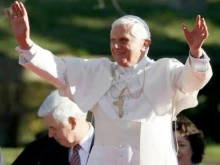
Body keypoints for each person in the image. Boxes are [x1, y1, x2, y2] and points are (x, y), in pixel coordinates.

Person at [7, 1, 212, 164]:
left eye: (123, 40)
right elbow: (58, 69)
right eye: (113, 40)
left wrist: (195, 52)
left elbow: (192, 81)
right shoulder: (98, 71)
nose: (116, 46)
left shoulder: (164, 71)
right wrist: (26, 43)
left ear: (145, 44)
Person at [12, 90, 94, 165]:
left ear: (72, 123)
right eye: (48, 128)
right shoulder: (39, 149)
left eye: (54, 128)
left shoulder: (105, 146)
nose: (50, 135)